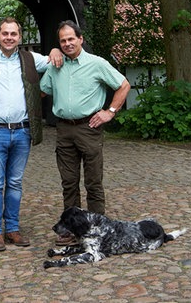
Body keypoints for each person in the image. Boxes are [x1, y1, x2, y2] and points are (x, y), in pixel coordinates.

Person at [0, 17, 63, 252]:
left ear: (19, 37)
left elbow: (56, 60)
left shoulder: (32, 59)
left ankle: (12, 229)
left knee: (14, 183)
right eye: (5, 34)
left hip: (22, 131)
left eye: (13, 34)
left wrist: (54, 48)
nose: (9, 38)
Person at [40, 20, 130, 245]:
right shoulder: (55, 65)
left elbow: (123, 85)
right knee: (68, 183)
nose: (68, 43)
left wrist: (110, 111)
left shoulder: (97, 63)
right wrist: (49, 55)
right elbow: (40, 91)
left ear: (81, 39)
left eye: (71, 39)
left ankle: (99, 229)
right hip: (63, 128)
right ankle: (71, 229)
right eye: (63, 41)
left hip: (89, 128)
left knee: (93, 182)